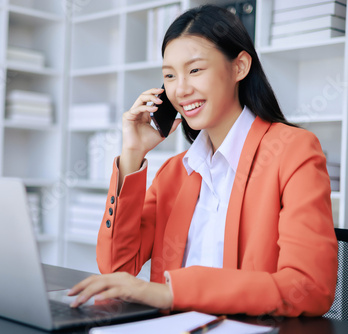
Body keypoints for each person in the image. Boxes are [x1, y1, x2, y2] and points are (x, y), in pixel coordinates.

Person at [67, 5, 338, 317]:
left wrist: (170, 292)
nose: (181, 89)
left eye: (195, 70)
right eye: (169, 75)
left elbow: (308, 288)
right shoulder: (174, 172)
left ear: (239, 67)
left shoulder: (293, 151)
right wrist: (132, 154)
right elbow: (116, 266)